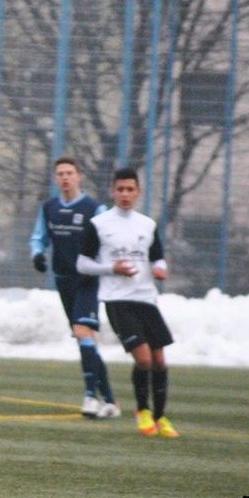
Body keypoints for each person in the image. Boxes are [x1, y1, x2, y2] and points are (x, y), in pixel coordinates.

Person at [75, 167, 178, 438]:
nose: (125, 194)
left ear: (138, 192)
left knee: (159, 359)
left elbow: (158, 257)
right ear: (113, 191)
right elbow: (83, 264)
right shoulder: (100, 224)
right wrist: (112, 269)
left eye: (130, 189)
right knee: (143, 359)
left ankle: (161, 417)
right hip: (117, 299)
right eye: (120, 189)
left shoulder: (147, 224)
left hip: (146, 298)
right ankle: (143, 410)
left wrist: (160, 269)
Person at [29, 156, 118, 418]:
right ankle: (110, 401)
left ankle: (91, 397)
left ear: (79, 176)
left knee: (82, 332)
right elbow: (39, 237)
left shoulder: (94, 208)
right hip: (64, 280)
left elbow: (107, 241)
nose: (65, 177)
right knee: (85, 338)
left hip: (87, 281)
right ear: (56, 179)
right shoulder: (49, 208)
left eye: (69, 173)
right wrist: (37, 255)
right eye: (60, 174)